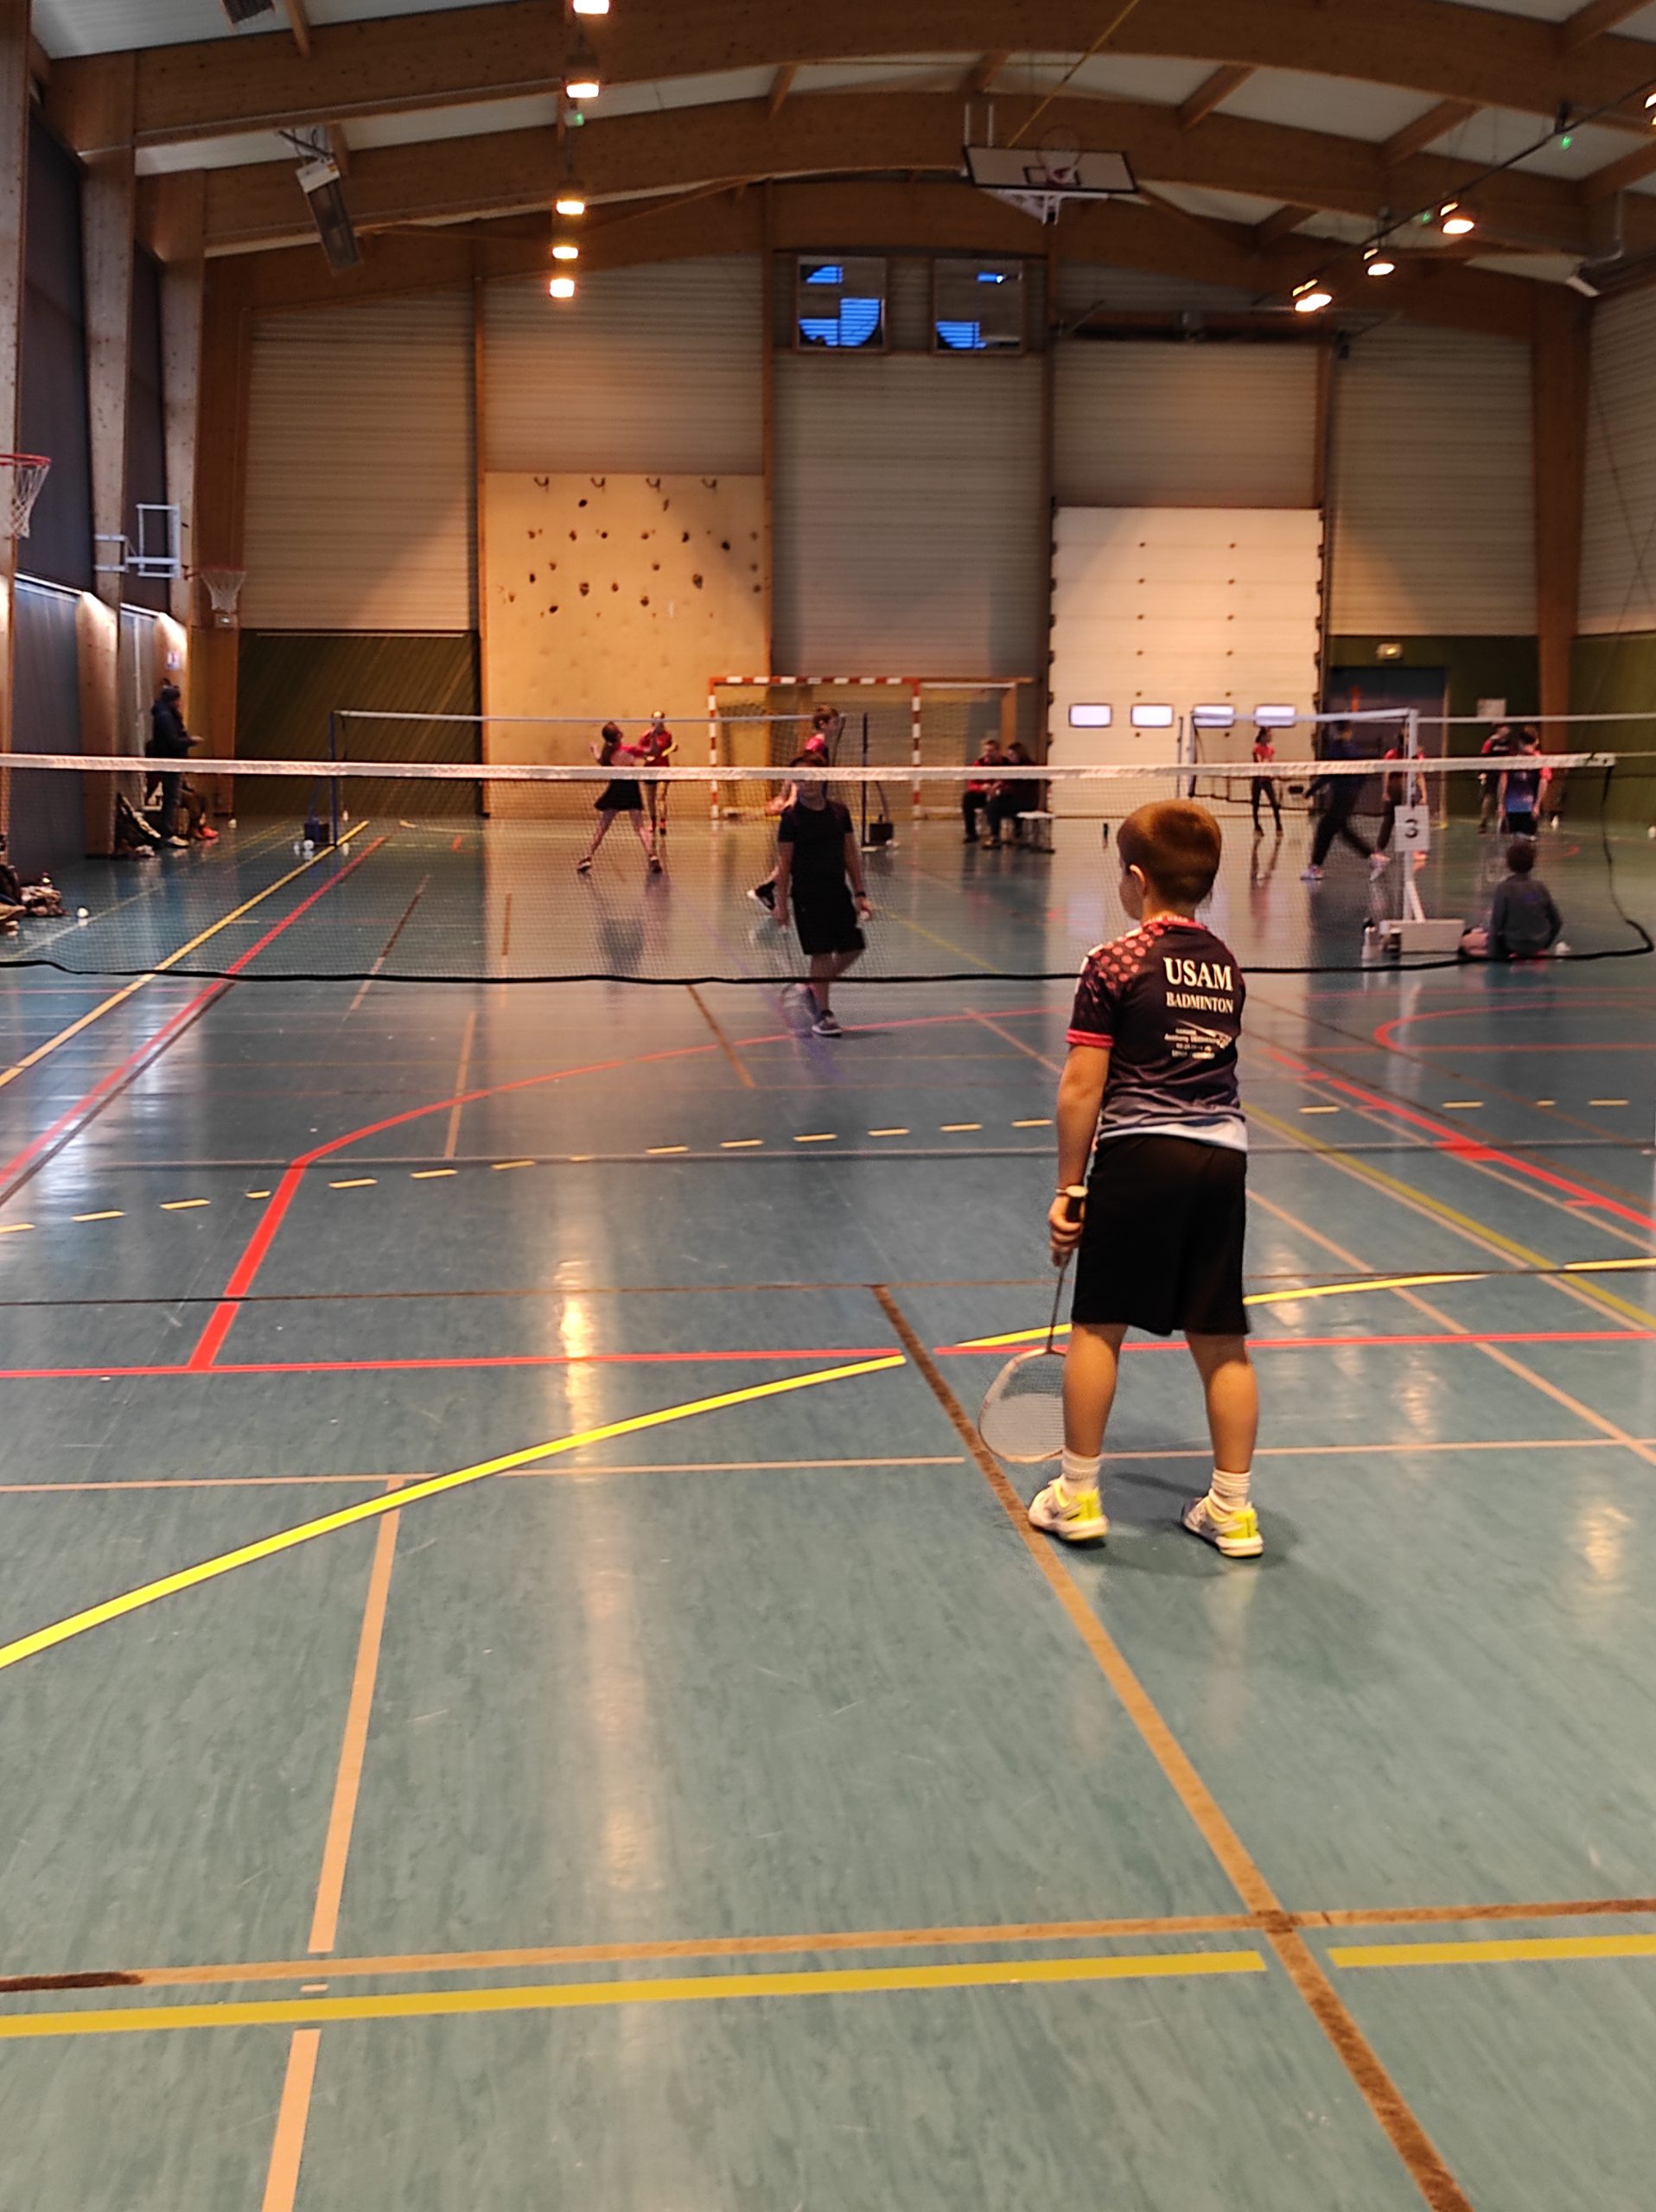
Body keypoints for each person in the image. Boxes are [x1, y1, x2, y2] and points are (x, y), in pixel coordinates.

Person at [1028, 799, 1261, 1559]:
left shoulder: (1113, 963)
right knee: (1222, 1338)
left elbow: (1081, 1088)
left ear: (1136, 879)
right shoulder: (1226, 965)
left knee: (1099, 1325)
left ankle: (1078, 1496)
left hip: (1139, 1156)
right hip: (1222, 1159)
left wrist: (1070, 1187)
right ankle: (1232, 1509)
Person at [773, 771, 873, 1039]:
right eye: (800, 779)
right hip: (807, 895)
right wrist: (781, 903)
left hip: (837, 892)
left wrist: (860, 893)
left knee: (854, 947)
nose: (806, 783)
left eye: (811, 777)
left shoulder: (840, 812)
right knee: (822, 953)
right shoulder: (791, 818)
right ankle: (823, 1014)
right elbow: (784, 863)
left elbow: (850, 854)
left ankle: (813, 986)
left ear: (822, 778)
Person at [749, 733, 830, 911]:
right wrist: (790, 798)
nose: (837, 724)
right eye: (834, 721)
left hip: (814, 806)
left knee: (798, 858)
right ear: (824, 724)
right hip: (803, 808)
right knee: (792, 858)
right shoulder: (815, 744)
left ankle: (766, 889)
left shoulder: (822, 744)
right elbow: (798, 773)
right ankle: (766, 890)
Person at [1302, 727, 1386, 882]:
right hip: (1350, 796)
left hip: (1341, 796)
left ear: (1336, 731)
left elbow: (1329, 774)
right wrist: (1355, 788)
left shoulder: (1336, 748)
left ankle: (1316, 867)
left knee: (1325, 828)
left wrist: (1310, 791)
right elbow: (1362, 771)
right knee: (1341, 829)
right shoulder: (1354, 748)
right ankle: (1373, 858)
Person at [577, 722, 661, 875]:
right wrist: (654, 736)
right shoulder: (628, 750)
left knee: (603, 825)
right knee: (640, 826)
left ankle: (587, 857)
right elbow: (653, 752)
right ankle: (652, 856)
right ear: (619, 736)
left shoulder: (607, 754)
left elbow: (601, 761)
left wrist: (594, 750)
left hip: (616, 788)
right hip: (631, 788)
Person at [1461, 839, 1563, 961]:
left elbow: (1496, 924)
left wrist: (1495, 955)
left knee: (1466, 942)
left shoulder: (1505, 888)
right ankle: (1530, 955)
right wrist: (1545, 944)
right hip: (1538, 944)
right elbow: (1557, 921)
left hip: (1512, 944)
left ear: (1508, 864)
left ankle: (1511, 955)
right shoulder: (1540, 888)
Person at [145, 680, 196, 849]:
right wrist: (190, 741)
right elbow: (172, 741)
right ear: (174, 700)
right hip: (170, 762)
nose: (180, 703)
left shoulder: (166, 714)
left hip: (173, 761)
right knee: (172, 798)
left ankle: (168, 832)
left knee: (173, 798)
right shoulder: (165, 717)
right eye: (178, 700)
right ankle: (168, 834)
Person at [988, 739, 1041, 845]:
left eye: (1012, 755)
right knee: (992, 806)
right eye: (1008, 755)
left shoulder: (1030, 767)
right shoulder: (1009, 766)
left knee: (994, 806)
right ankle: (1014, 832)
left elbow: (1020, 789)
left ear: (1019, 754)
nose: (1009, 758)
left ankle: (995, 836)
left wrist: (1004, 789)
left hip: (1027, 801)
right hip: (1013, 799)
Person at [1499, 728, 1548, 838]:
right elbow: (1543, 781)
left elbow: (1502, 782)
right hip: (1525, 807)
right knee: (1527, 840)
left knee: (1516, 840)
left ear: (1520, 741)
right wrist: (1537, 805)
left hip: (1515, 807)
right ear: (1536, 741)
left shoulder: (1511, 759)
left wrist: (1501, 804)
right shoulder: (1540, 760)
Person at [638, 712, 675, 842]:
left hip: (663, 770)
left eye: (660, 718)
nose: (658, 721)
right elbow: (640, 751)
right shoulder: (646, 735)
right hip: (649, 770)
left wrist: (673, 748)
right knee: (650, 799)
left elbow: (670, 747)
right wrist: (646, 757)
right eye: (655, 718)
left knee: (661, 796)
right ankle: (653, 821)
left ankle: (662, 822)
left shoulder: (667, 735)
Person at [1478, 721, 1519, 833]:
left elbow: (1514, 757)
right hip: (1491, 774)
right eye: (1503, 727)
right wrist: (1482, 772)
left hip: (1506, 774)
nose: (1506, 729)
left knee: (1505, 798)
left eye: (1507, 727)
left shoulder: (1511, 743)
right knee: (1489, 797)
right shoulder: (1490, 742)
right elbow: (1483, 757)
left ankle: (1504, 821)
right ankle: (1483, 822)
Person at [963, 740, 1005, 843]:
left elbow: (1010, 781)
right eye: (985, 751)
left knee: (996, 804)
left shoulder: (1005, 763)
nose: (987, 754)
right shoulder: (979, 763)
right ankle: (971, 833)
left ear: (997, 751)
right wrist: (981, 787)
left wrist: (998, 786)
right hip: (983, 794)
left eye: (990, 751)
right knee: (968, 798)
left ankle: (995, 836)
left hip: (1000, 795)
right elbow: (972, 784)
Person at [1250, 730, 1282, 835]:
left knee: (1274, 803)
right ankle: (1257, 826)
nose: (1270, 737)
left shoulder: (1271, 749)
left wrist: (1274, 773)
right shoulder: (1256, 749)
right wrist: (1264, 763)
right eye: (1268, 735)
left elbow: (1271, 763)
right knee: (1255, 804)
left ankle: (1278, 826)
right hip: (1257, 779)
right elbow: (1259, 762)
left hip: (1267, 780)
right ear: (1263, 736)